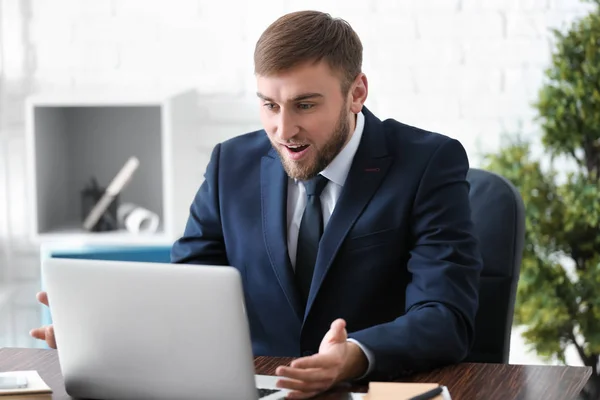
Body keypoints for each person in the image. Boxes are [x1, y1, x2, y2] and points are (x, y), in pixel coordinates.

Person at [31, 10, 483, 399]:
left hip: (366, 389)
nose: (284, 130)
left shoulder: (429, 163)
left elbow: (444, 316)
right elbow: (189, 293)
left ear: (357, 92)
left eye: (305, 105)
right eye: (269, 105)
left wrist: (353, 357)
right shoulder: (232, 164)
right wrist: (106, 338)